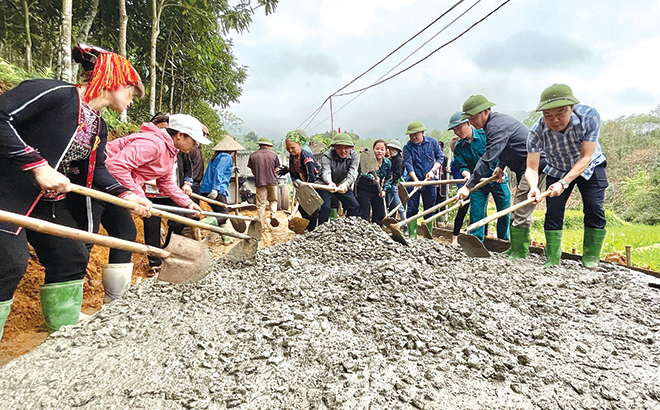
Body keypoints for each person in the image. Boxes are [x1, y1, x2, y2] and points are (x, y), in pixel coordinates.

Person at [0, 44, 149, 336]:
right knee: (9, 263)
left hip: (47, 202)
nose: (133, 101)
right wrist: (36, 165)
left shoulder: (97, 126)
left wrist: (126, 195)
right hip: (8, 192)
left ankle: (63, 329)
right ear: (115, 80)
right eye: (132, 92)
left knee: (71, 256)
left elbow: (99, 170)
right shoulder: (55, 93)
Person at [104, 114, 209, 287]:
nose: (196, 146)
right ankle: (116, 294)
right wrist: (138, 195)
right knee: (124, 233)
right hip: (101, 182)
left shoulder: (171, 151)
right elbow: (117, 166)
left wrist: (188, 203)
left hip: (116, 186)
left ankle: (115, 295)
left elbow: (166, 182)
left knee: (126, 233)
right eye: (194, 141)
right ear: (180, 135)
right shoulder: (153, 143)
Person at [526, 84, 607, 268]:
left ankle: (591, 258)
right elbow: (531, 167)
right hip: (557, 167)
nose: (554, 120)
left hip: (590, 165)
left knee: (594, 208)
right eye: (548, 115)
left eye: (560, 114)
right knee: (553, 212)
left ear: (571, 108)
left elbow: (586, 156)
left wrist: (564, 183)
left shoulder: (589, 117)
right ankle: (553, 259)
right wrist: (533, 187)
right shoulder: (536, 131)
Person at [457, 94, 547, 259]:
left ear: (485, 111)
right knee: (519, 209)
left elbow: (487, 158)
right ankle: (515, 249)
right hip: (523, 168)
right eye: (469, 118)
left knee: (520, 210)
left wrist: (468, 186)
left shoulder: (496, 126)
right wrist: (500, 167)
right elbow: (507, 148)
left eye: (474, 117)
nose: (472, 121)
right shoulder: (493, 124)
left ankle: (520, 252)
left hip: (534, 166)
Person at [140, 113, 196, 276]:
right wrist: (134, 193)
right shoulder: (149, 143)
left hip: (171, 192)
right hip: (150, 194)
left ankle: (169, 250)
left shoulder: (178, 148)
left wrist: (186, 185)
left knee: (182, 220)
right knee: (151, 229)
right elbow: (122, 166)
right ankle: (155, 263)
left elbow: (186, 170)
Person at [448, 111, 511, 242]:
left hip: (497, 179)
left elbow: (503, 152)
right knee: (476, 212)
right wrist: (466, 173)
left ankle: (503, 241)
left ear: (468, 123)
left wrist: (502, 169)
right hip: (476, 183)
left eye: (459, 127)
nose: (457, 132)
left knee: (504, 211)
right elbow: (461, 164)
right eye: (454, 130)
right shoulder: (459, 147)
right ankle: (476, 242)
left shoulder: (486, 136)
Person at [402, 121, 444, 236]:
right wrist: (416, 181)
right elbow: (408, 164)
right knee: (411, 209)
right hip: (413, 181)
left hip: (430, 181)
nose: (413, 137)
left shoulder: (433, 143)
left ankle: (428, 234)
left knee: (429, 208)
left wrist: (433, 171)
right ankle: (412, 234)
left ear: (422, 132)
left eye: (416, 134)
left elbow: (440, 158)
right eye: (411, 135)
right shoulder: (407, 147)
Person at [278, 130, 322, 230]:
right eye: (288, 148)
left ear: (299, 144)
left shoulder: (307, 157)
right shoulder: (292, 157)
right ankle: (307, 226)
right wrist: (295, 181)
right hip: (302, 183)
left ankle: (312, 229)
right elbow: (293, 171)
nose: (290, 150)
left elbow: (311, 175)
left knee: (312, 208)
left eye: (293, 148)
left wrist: (306, 189)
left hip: (314, 183)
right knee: (302, 207)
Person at [201, 136, 241, 244]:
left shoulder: (217, 156)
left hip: (206, 188)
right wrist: (216, 189)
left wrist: (231, 169)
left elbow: (218, 169)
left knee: (220, 213)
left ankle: (226, 239)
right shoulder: (226, 157)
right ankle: (199, 225)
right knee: (223, 214)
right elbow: (219, 171)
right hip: (215, 189)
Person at [318, 132, 360, 224]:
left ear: (351, 148)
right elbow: (326, 171)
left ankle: (349, 229)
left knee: (354, 205)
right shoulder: (327, 155)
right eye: (339, 148)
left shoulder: (354, 156)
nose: (343, 151)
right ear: (334, 148)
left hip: (342, 183)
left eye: (346, 148)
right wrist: (329, 182)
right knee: (325, 207)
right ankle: (320, 231)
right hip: (324, 184)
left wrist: (346, 183)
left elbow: (353, 172)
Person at [247, 137, 281, 231]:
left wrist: (259, 175)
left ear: (260, 145)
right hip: (273, 181)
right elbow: (276, 169)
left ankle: (262, 225)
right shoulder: (273, 155)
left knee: (261, 205)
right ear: (268, 146)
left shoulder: (253, 155)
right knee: (273, 200)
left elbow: (253, 170)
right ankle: (273, 215)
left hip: (260, 182)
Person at [356, 139, 392, 225]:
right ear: (373, 150)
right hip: (364, 189)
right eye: (377, 149)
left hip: (377, 190)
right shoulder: (367, 160)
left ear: (386, 151)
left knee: (379, 214)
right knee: (364, 214)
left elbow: (389, 178)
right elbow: (361, 173)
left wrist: (384, 190)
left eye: (382, 149)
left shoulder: (387, 163)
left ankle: (377, 233)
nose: (379, 151)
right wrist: (371, 177)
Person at [449, 137, 469, 246]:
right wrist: (464, 189)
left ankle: (480, 237)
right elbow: (459, 178)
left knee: (479, 212)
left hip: (476, 187)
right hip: (463, 189)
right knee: (461, 213)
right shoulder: (454, 162)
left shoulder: (470, 158)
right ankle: (455, 238)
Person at [386, 140, 405, 220]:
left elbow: (398, 173)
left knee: (399, 205)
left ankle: (405, 224)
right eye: (390, 149)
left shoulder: (399, 160)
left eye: (393, 149)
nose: (391, 151)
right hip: (389, 184)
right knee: (387, 204)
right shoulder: (391, 159)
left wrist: (391, 179)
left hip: (394, 184)